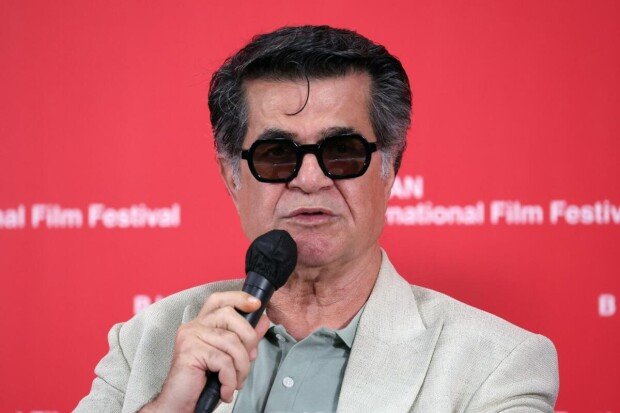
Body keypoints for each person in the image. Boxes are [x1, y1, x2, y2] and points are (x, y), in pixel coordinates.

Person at [75, 25, 559, 413]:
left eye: (342, 151)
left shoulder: (497, 364)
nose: (310, 179)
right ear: (231, 177)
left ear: (391, 168)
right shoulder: (145, 342)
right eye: (276, 154)